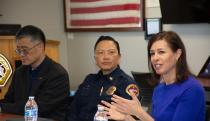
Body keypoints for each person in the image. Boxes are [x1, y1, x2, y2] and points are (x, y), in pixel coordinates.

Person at [101, 31, 205, 121]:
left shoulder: (192, 89)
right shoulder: (159, 88)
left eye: (161, 52)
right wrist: (126, 118)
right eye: (152, 53)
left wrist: (139, 113)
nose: (155, 58)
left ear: (178, 54)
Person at [0, 25, 70, 121]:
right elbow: (9, 100)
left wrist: (2, 107)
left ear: (40, 46)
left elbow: (38, 108)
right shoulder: (20, 72)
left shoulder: (57, 74)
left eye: (25, 50)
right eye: (18, 50)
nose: (21, 54)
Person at [66, 35, 139, 121]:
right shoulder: (89, 80)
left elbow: (131, 117)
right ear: (95, 58)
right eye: (100, 52)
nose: (105, 57)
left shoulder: (127, 84)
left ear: (119, 57)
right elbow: (73, 110)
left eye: (111, 52)